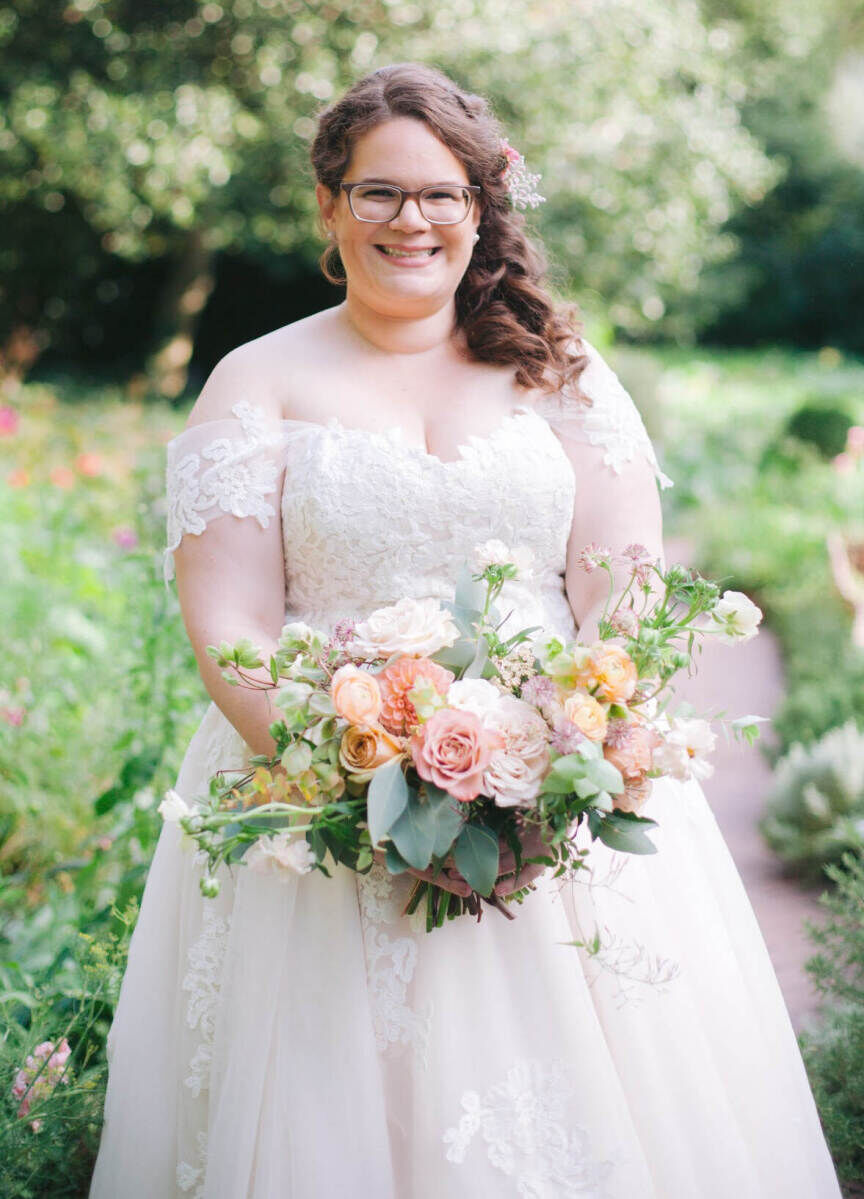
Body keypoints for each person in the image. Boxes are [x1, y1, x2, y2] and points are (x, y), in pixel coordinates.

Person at [89, 61, 843, 1199]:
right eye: (379, 192)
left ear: (480, 210)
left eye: (442, 193)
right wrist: (352, 780)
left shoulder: (560, 373)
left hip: (557, 797)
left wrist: (559, 747)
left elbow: (625, 587)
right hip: (318, 806)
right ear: (330, 206)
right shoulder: (257, 382)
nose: (413, 219)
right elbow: (231, 625)